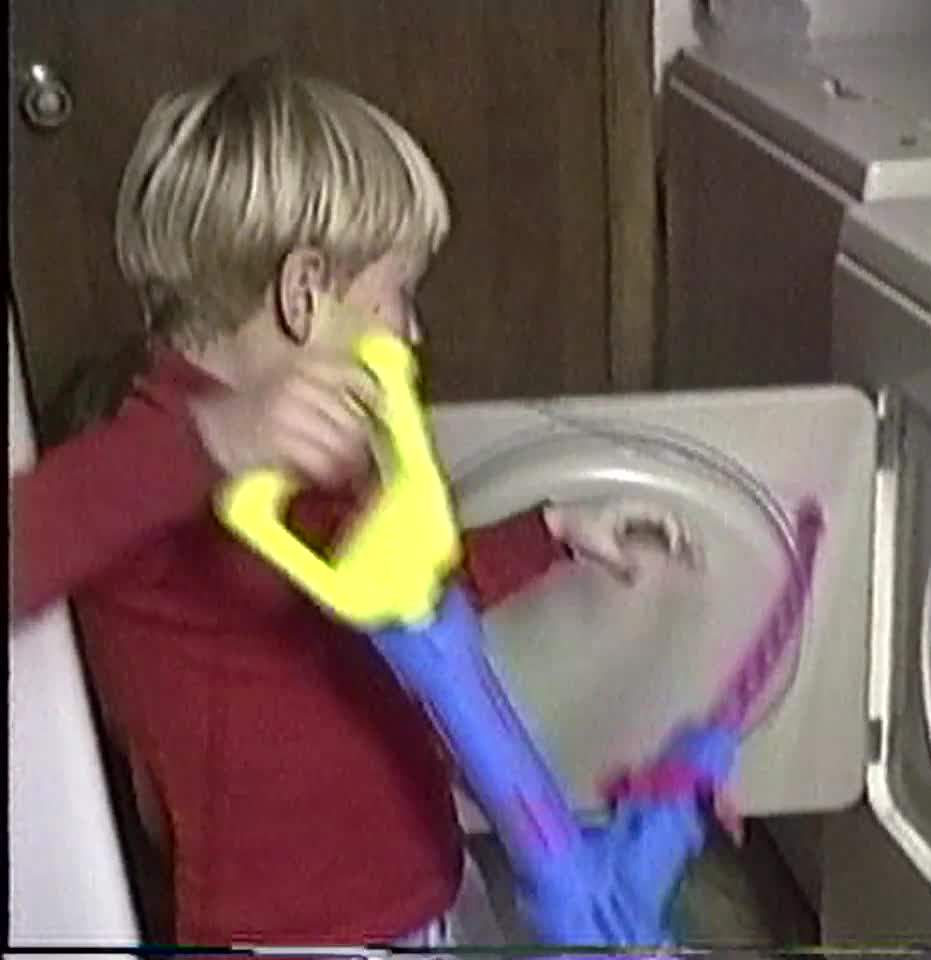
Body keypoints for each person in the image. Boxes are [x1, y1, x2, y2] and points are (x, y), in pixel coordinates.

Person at [15, 58, 696, 948]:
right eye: (398, 295)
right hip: (299, 927)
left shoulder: (316, 445)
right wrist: (212, 442)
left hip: (412, 884)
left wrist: (549, 533)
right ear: (305, 297)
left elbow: (398, 597)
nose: (413, 333)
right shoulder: (154, 447)